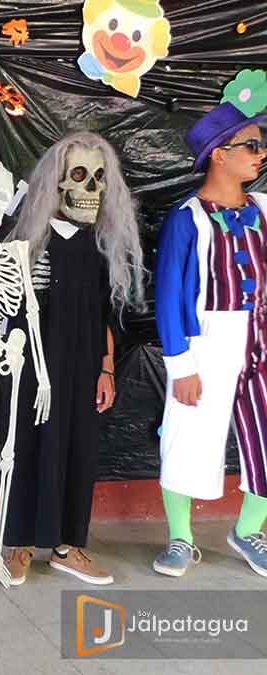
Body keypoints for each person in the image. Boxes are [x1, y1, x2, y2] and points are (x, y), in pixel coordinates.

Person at [0, 131, 146, 586]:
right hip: (32, 362)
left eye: (100, 179)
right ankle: (18, 541)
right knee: (25, 444)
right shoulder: (23, 238)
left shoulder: (98, 243)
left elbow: (104, 310)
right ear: (56, 182)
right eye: (80, 176)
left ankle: (66, 545)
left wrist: (105, 367)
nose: (91, 189)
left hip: (82, 361)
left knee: (79, 447)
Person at [154, 102, 267, 578]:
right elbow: (168, 294)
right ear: (220, 154)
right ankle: (180, 538)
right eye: (252, 145)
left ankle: (248, 530)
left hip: (260, 337)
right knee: (187, 437)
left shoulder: (264, 208)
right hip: (208, 341)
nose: (261, 154)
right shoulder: (189, 218)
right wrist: (181, 364)